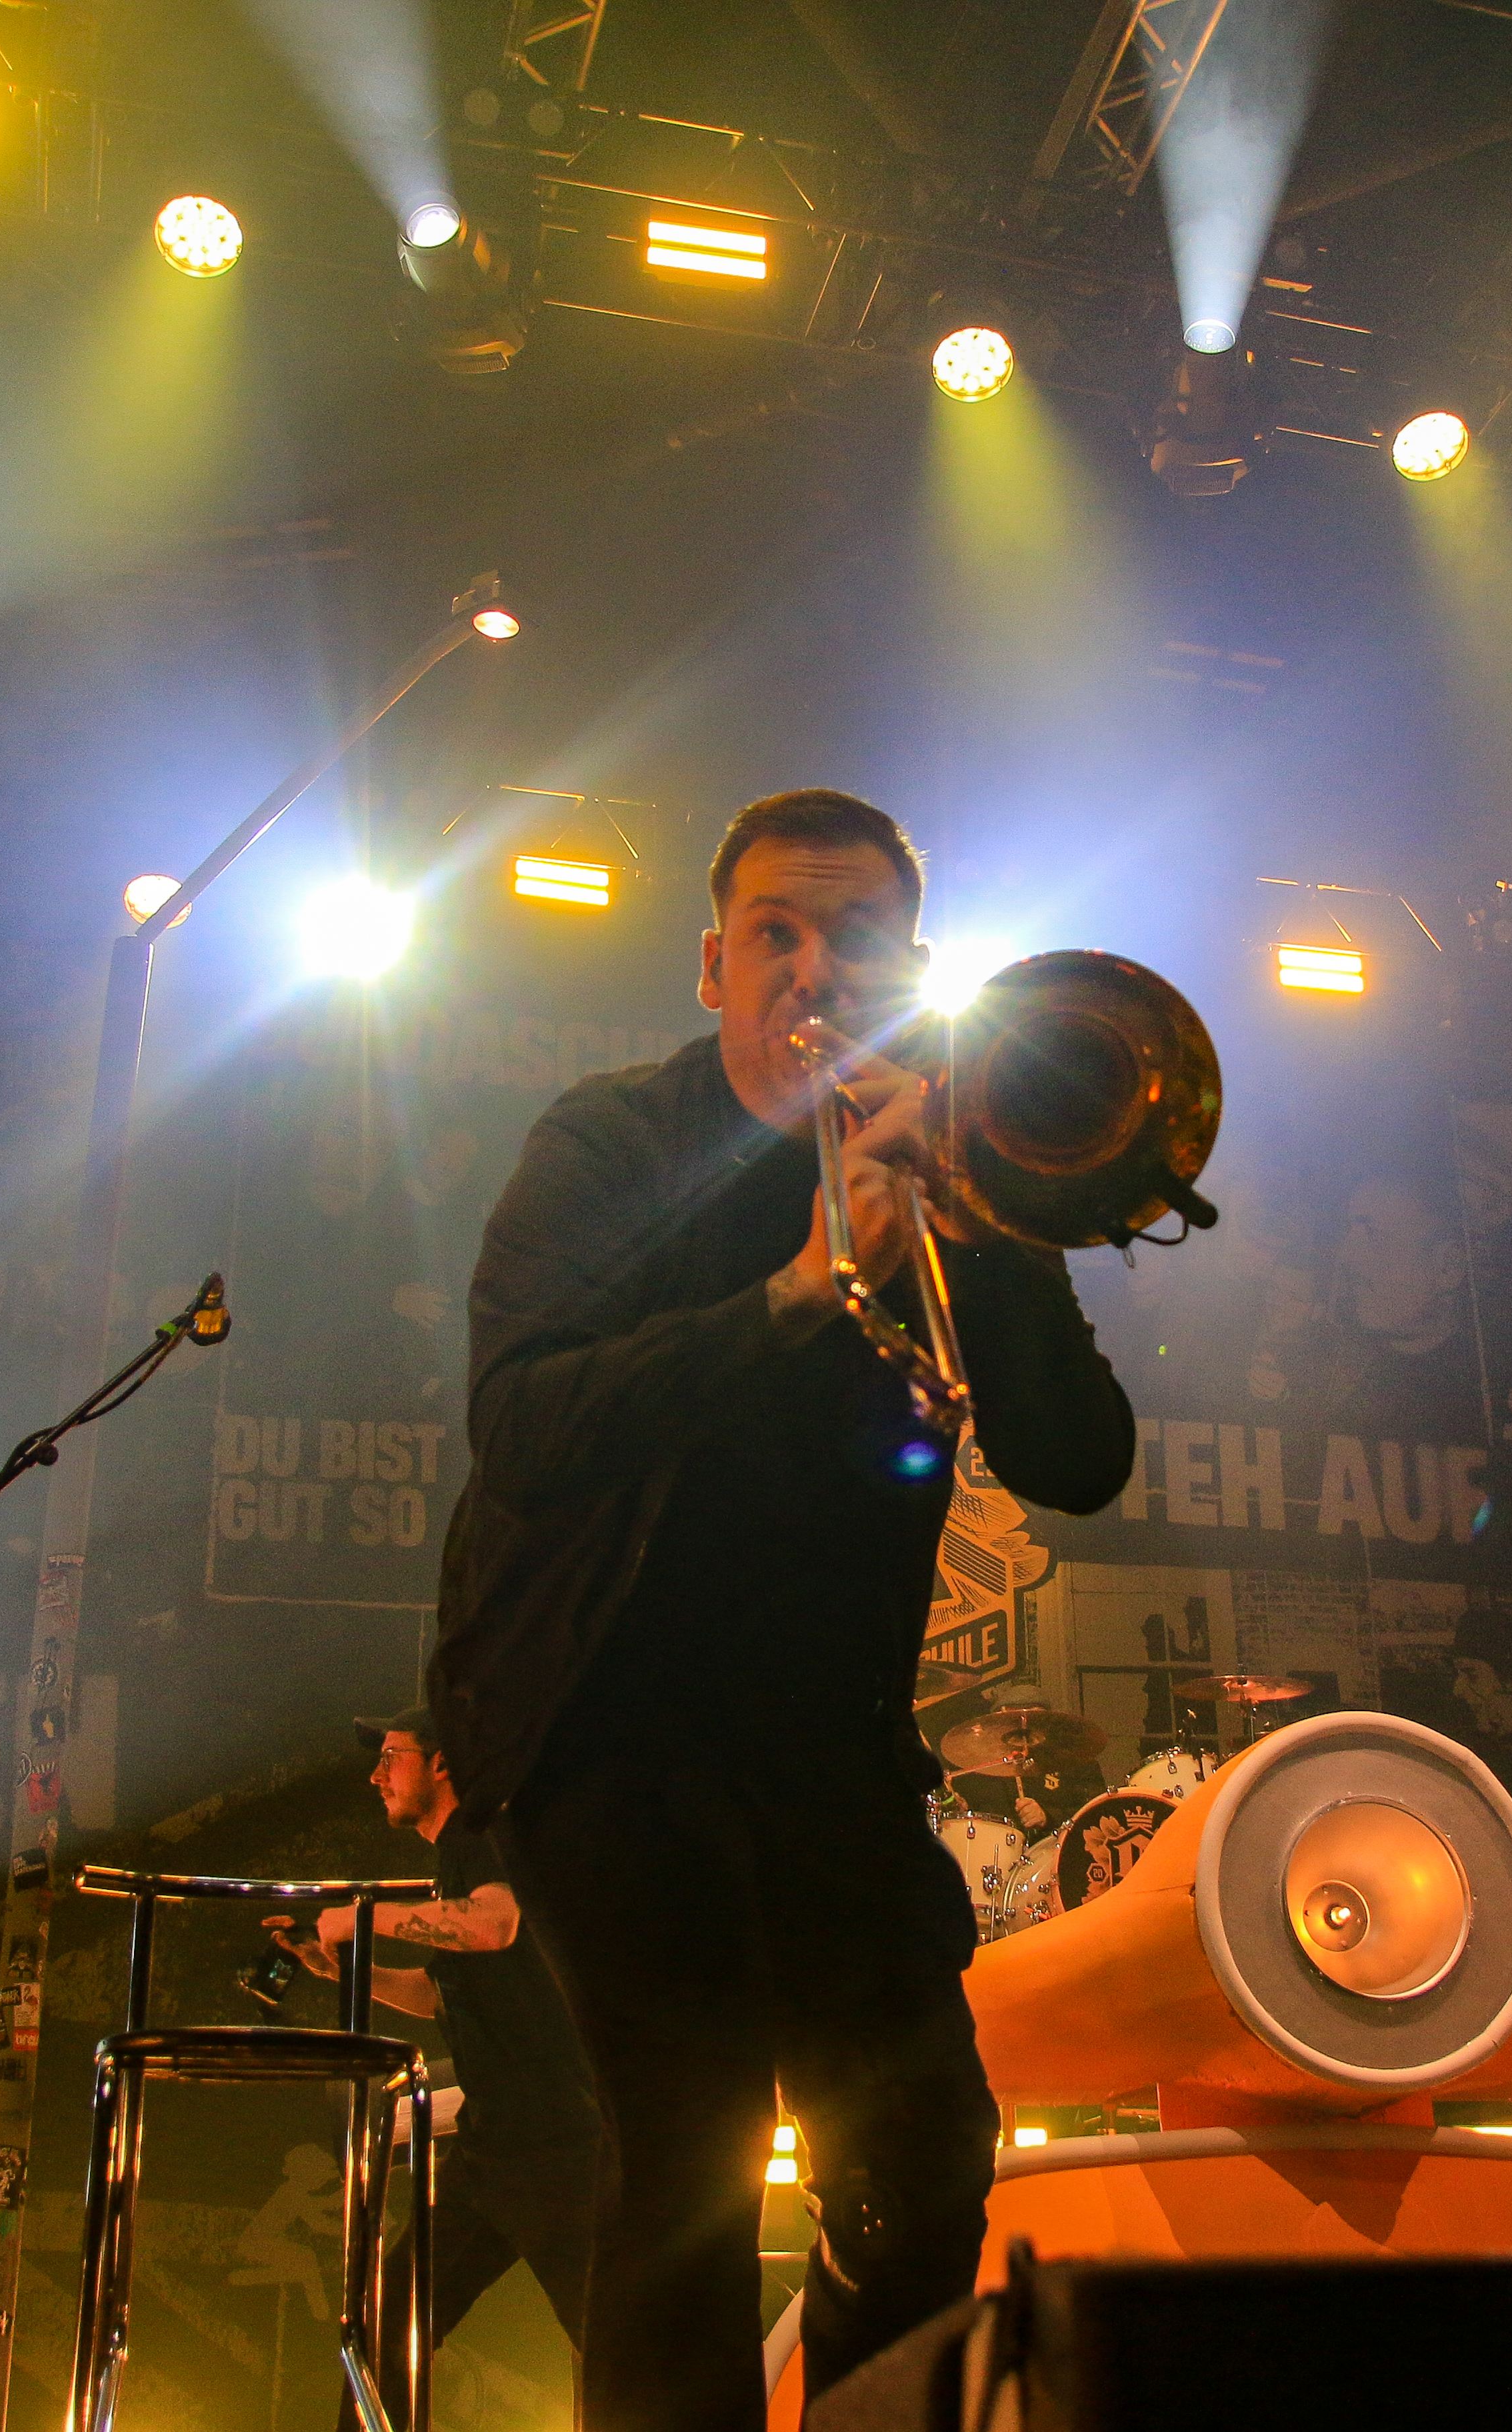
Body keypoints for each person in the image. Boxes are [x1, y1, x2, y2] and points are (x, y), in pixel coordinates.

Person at [425, 789, 1139, 2432]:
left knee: (927, 2156)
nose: (814, 970)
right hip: (604, 1724)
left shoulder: (956, 1160)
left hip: (824, 1745)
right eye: (776, 935)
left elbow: (1079, 1458)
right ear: (713, 969)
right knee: (681, 2159)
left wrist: (980, 1229)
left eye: (857, 939)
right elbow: (523, 1423)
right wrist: (802, 1288)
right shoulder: (610, 1145)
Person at [271, 1706, 599, 2431]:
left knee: (614, 2342)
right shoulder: (457, 1855)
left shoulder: (486, 1833)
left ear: (443, 1762)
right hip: (492, 2147)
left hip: (556, 2146)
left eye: (392, 1756)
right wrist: (340, 1968)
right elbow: (439, 1991)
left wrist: (364, 1913)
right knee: (388, 2324)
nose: (375, 1775)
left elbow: (492, 1924)